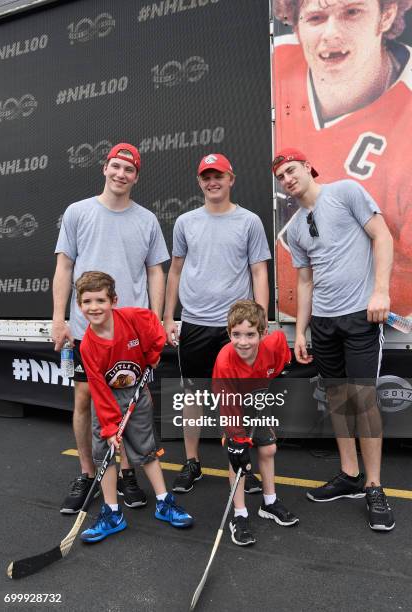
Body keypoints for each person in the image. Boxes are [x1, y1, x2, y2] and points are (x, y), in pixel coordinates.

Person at [273, 148, 395, 531]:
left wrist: (380, 292)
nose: (288, 179)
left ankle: (374, 486)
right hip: (323, 324)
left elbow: (382, 236)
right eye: (281, 177)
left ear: (309, 167)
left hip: (360, 315)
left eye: (292, 170)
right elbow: (305, 281)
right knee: (339, 400)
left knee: (363, 400)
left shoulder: (345, 192)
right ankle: (349, 475)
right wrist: (303, 330)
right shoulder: (294, 228)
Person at [272, 0, 412, 319]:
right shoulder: (275, 62)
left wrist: (380, 293)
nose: (331, 33)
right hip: (316, 316)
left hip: (363, 314)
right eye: (316, 17)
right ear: (295, 25)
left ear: (386, 14)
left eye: (351, 12)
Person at [52, 143, 169, 514]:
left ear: (136, 176)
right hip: (87, 332)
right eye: (116, 166)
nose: (121, 174)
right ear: (105, 168)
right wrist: (60, 319)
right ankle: (88, 473)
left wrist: (158, 320)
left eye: (129, 170)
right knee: (85, 401)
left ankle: (128, 475)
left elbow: (156, 271)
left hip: (130, 336)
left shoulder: (147, 220)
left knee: (129, 407)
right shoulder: (78, 212)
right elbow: (64, 267)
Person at [163, 153, 271, 494]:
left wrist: (260, 323)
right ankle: (192, 462)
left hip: (235, 329)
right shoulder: (185, 222)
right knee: (192, 396)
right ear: (200, 182)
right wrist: (168, 316)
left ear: (231, 178)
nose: (213, 182)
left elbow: (259, 272)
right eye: (206, 177)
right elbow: (175, 270)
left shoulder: (250, 221)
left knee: (239, 399)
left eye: (218, 176)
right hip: (194, 323)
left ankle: (241, 466)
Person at [75, 271, 193, 542]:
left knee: (145, 448)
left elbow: (154, 328)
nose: (94, 307)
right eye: (87, 301)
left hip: (136, 394)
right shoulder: (89, 346)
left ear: (113, 300)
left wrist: (152, 356)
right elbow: (98, 387)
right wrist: (109, 426)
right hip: (108, 398)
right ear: (80, 305)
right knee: (104, 452)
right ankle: (112, 513)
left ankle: (164, 502)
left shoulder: (132, 318)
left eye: (100, 300)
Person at [212, 300, 299, 546]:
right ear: (229, 333)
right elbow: (228, 406)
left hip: (259, 398)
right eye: (236, 334)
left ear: (262, 333)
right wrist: (237, 441)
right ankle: (239, 514)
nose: (243, 342)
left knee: (269, 448)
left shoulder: (274, 344)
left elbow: (282, 350)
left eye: (250, 334)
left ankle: (269, 502)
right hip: (233, 406)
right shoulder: (225, 362)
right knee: (237, 458)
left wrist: (276, 372)